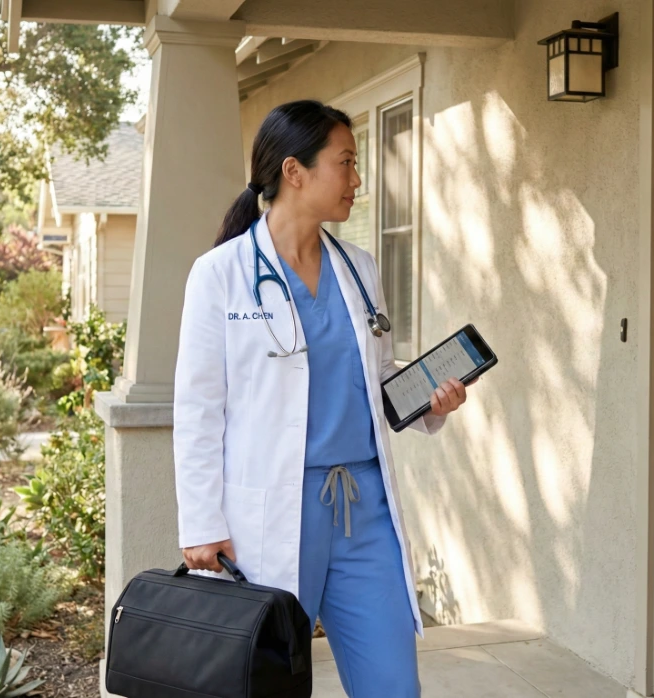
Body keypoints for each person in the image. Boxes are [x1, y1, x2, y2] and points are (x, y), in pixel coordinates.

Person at [172, 100, 472, 698]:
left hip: (364, 510)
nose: (357, 180)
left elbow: (376, 379)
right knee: (266, 683)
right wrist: (201, 523)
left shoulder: (359, 268)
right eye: (347, 163)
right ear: (294, 171)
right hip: (273, 511)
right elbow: (199, 410)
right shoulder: (220, 274)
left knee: (392, 684)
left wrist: (427, 404)